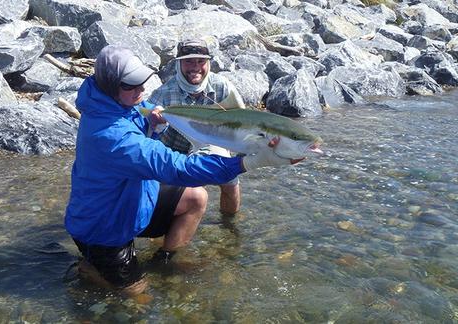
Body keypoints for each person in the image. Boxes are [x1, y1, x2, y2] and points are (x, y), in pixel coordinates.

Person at [64, 45, 296, 296]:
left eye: (142, 82)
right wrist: (247, 163)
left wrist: (151, 120)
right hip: (104, 230)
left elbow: (136, 115)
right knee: (139, 297)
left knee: (196, 197)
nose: (141, 90)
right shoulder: (112, 138)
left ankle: (163, 260)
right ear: (111, 85)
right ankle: (91, 269)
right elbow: (179, 168)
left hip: (131, 202)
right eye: (131, 85)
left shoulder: (113, 101)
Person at [149, 38, 246, 215]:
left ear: (208, 63)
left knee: (230, 179)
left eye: (201, 61)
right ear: (178, 64)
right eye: (188, 62)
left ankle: (229, 227)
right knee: (178, 201)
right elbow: (146, 135)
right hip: (173, 152)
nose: (195, 67)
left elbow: (244, 123)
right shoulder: (161, 94)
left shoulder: (222, 86)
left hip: (210, 143)